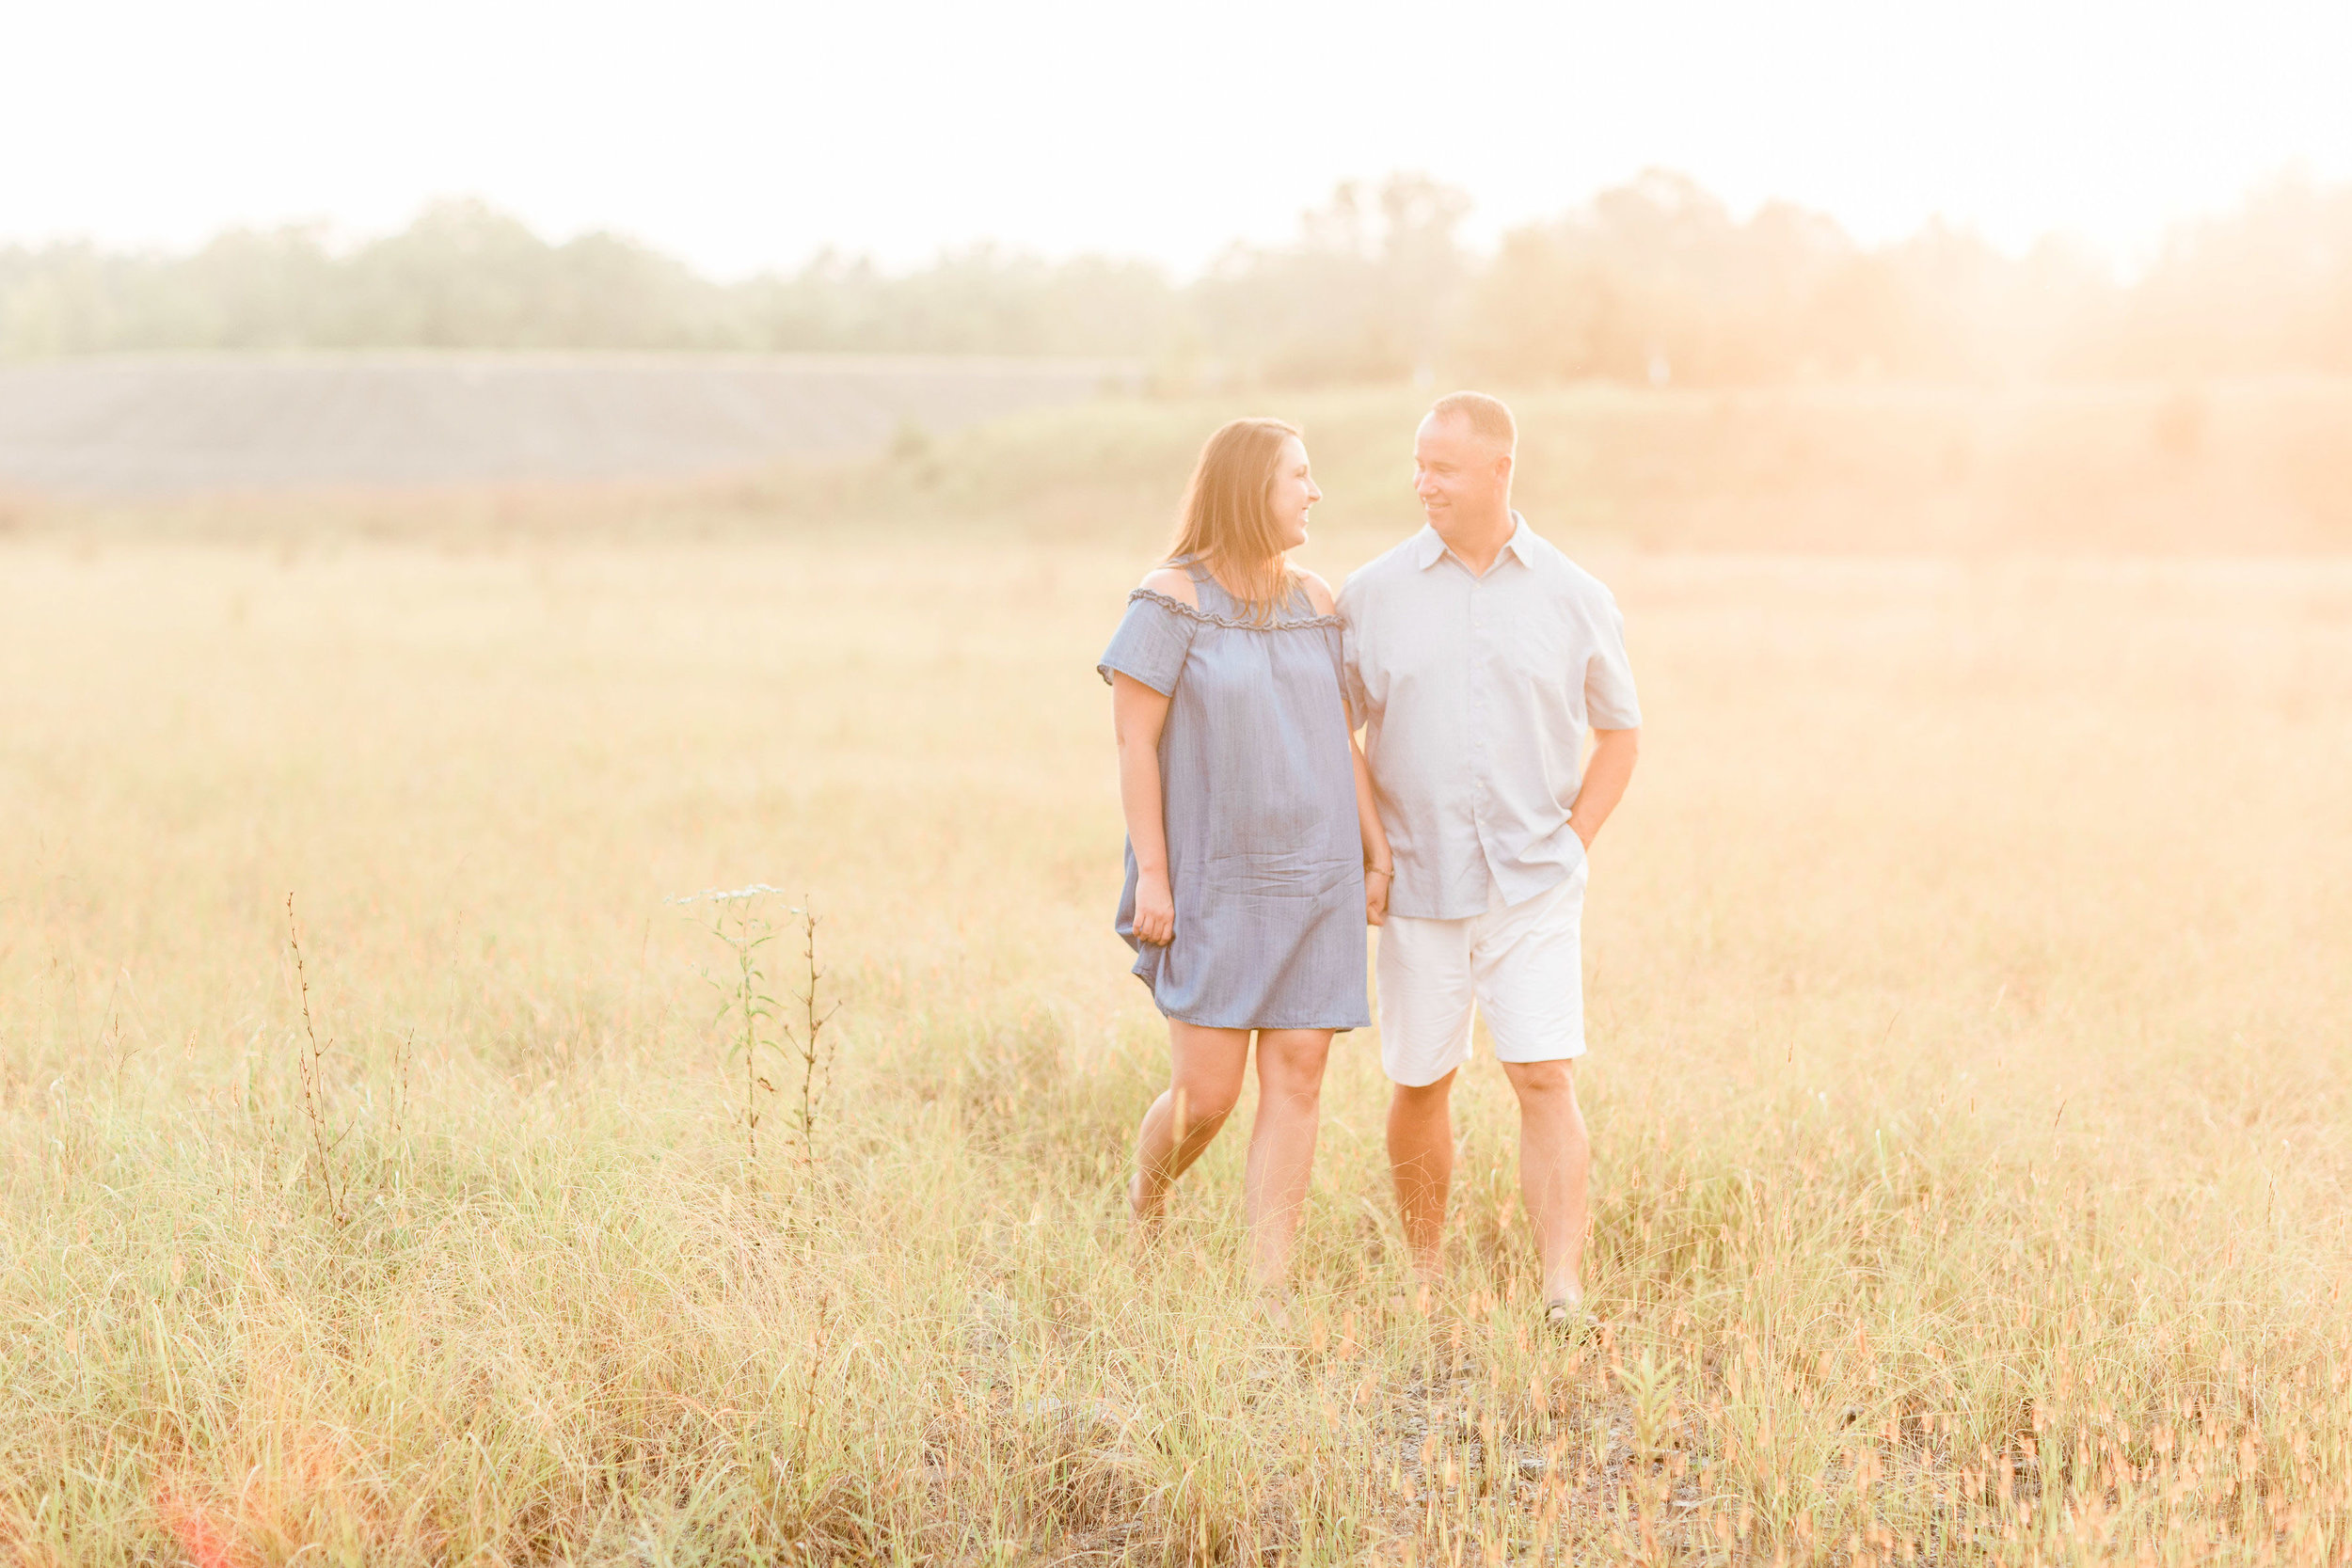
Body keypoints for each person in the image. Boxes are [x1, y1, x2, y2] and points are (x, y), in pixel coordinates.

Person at [1338, 391, 1642, 1329]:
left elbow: (1620, 734)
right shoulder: (1372, 593)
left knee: (1543, 1074)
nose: (1423, 480)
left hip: (1533, 886)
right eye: (1419, 463)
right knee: (1420, 1077)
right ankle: (1423, 1278)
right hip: (1418, 884)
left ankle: (1561, 1286)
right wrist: (1374, 850)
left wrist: (1571, 841)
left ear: (1501, 470)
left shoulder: (1574, 595)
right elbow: (1334, 734)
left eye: (1444, 466)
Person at [1098, 417, 1391, 1290]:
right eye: (1299, 475)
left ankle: (1269, 1286)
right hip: (1213, 878)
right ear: (1250, 487)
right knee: (1209, 1096)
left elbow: (1341, 740)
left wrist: (1375, 851)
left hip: (1318, 875)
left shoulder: (1316, 599)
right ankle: (1144, 1207)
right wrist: (1154, 872)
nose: (1314, 492)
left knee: (1298, 1074)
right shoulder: (1170, 598)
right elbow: (1134, 745)